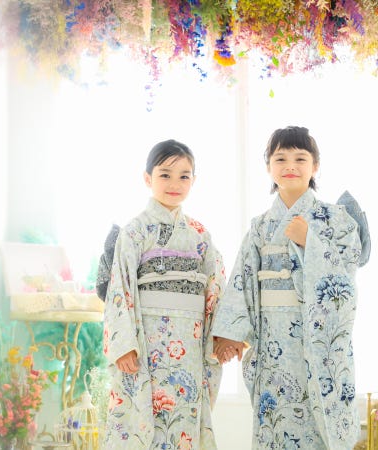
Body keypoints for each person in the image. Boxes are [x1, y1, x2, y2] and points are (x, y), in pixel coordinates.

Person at [212, 126, 369, 449]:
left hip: (316, 338)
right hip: (273, 338)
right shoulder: (260, 226)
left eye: (300, 158)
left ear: (315, 165)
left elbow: (346, 274)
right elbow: (243, 278)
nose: (290, 166)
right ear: (268, 166)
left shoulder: (336, 219)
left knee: (316, 418)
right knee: (276, 418)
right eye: (280, 158)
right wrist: (231, 333)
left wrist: (311, 241)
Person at [103, 139, 226, 449]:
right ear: (148, 178)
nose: (175, 184)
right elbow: (120, 287)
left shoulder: (200, 234)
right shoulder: (135, 231)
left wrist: (222, 336)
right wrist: (124, 344)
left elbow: (215, 287)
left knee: (185, 417)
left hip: (190, 343)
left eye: (184, 176)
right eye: (165, 175)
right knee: (145, 421)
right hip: (147, 343)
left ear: (194, 181)